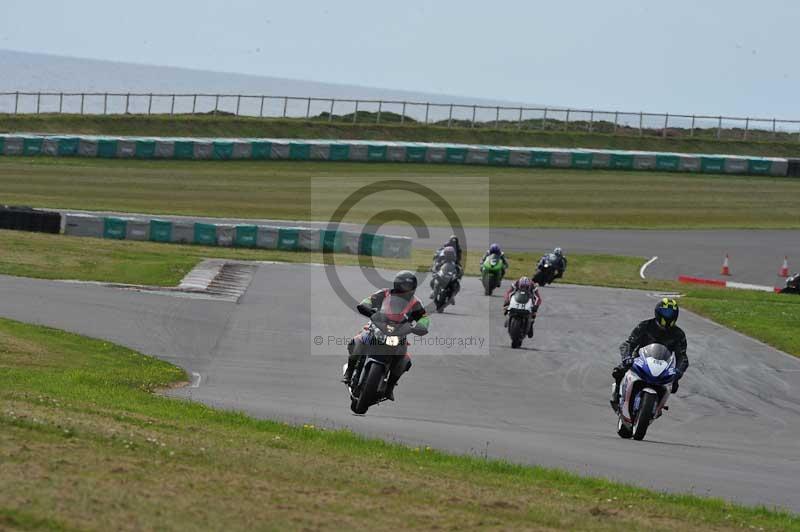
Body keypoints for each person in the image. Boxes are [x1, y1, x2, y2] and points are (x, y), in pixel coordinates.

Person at [343, 271, 430, 400]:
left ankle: (390, 387)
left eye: (407, 287)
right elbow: (368, 300)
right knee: (359, 341)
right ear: (396, 284)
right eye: (402, 286)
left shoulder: (416, 303)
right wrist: (366, 307)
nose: (404, 289)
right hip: (377, 326)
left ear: (413, 287)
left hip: (399, 333)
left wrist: (421, 326)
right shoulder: (384, 293)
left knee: (405, 360)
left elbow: (423, 317)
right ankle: (350, 371)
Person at [610, 298, 689, 412]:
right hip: (640, 360)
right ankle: (617, 396)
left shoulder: (679, 334)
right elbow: (629, 343)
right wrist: (627, 357)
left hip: (664, 366)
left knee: (674, 386)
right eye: (666, 313)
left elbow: (682, 356)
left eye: (671, 314)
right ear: (658, 312)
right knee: (618, 371)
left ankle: (658, 407)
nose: (668, 316)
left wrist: (679, 371)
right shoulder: (645, 325)